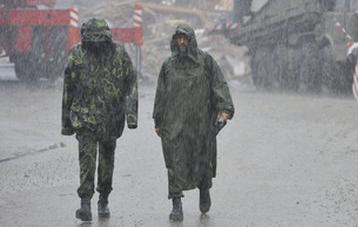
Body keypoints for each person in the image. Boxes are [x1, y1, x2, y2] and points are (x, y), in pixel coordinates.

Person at [153, 24, 234, 221]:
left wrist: (224, 110)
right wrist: (158, 119)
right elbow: (161, 94)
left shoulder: (205, 62)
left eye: (185, 38)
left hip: (201, 124)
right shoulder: (168, 66)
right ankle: (176, 203)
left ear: (191, 40)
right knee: (173, 163)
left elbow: (219, 85)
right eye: (179, 38)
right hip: (174, 125)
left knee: (202, 162)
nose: (182, 42)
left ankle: (204, 189)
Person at [61, 18, 138, 222]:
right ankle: (85, 202)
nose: (96, 45)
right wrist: (67, 123)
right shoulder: (77, 54)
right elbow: (68, 88)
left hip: (111, 119)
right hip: (85, 118)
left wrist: (131, 116)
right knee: (87, 160)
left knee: (106, 162)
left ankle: (103, 198)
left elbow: (131, 83)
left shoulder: (119, 54)